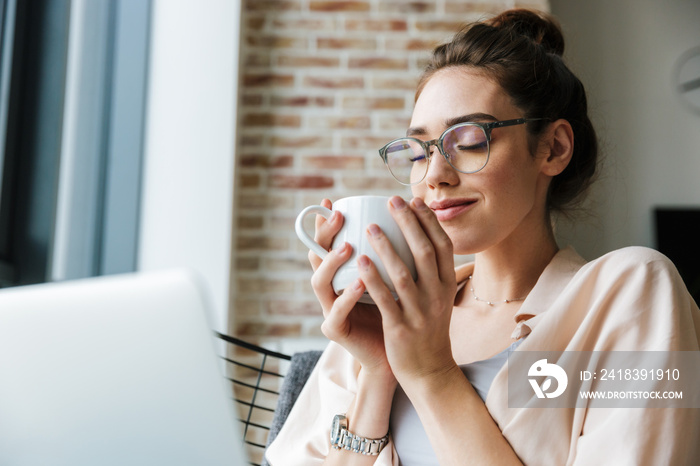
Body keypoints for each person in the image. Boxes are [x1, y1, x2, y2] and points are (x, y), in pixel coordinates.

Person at [265, 8, 700, 466]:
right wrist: (380, 370)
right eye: (418, 152)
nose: (434, 175)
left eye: (469, 140)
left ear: (553, 148)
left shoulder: (632, 291)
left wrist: (431, 373)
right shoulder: (388, 317)